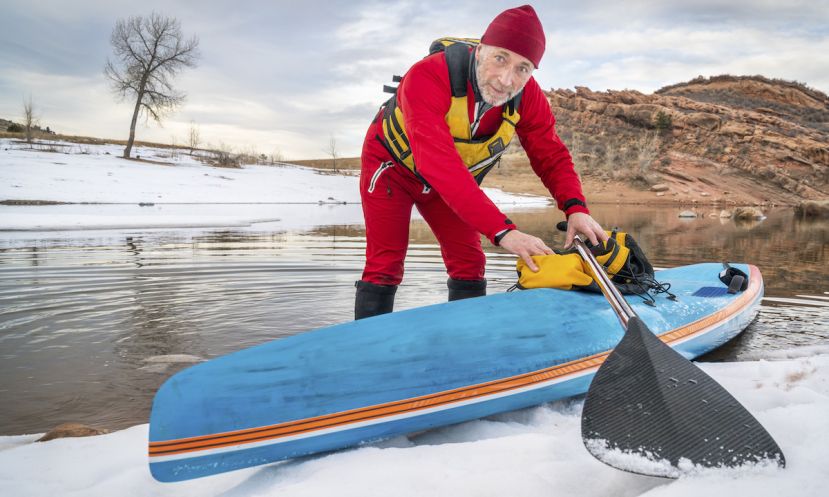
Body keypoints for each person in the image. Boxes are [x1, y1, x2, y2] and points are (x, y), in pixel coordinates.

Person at [355, 4, 607, 319]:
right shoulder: (428, 76)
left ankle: (468, 340)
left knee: (470, 263)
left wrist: (576, 208)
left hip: (452, 184)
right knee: (385, 263)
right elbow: (437, 162)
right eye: (500, 58)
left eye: (523, 68)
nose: (506, 79)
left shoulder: (528, 98)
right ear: (479, 50)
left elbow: (551, 154)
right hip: (390, 169)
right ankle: (368, 350)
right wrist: (505, 232)